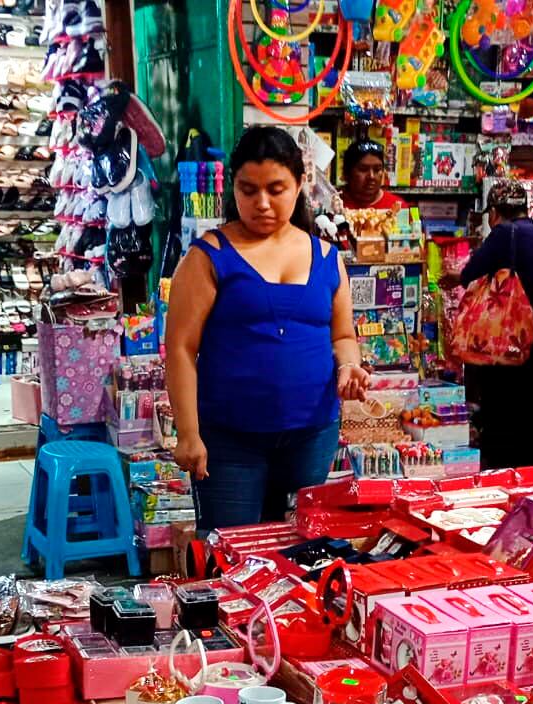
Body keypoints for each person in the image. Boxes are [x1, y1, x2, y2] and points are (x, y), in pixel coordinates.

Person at [166, 125, 370, 530]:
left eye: (275, 189)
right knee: (228, 554)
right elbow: (180, 348)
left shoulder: (328, 256)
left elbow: (343, 335)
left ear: (299, 184)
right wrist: (188, 433)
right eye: (248, 190)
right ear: (234, 189)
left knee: (299, 551)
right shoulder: (208, 255)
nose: (261, 203)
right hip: (229, 438)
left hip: (313, 432)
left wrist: (349, 366)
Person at [453, 178, 533, 470]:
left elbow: (470, 274)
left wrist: (454, 279)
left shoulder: (505, 233)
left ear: (493, 212)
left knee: (502, 402)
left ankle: (504, 466)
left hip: (513, 332)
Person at [339, 139, 406, 212]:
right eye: (363, 169)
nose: (371, 176)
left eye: (377, 170)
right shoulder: (333, 206)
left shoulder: (398, 207)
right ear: (347, 172)